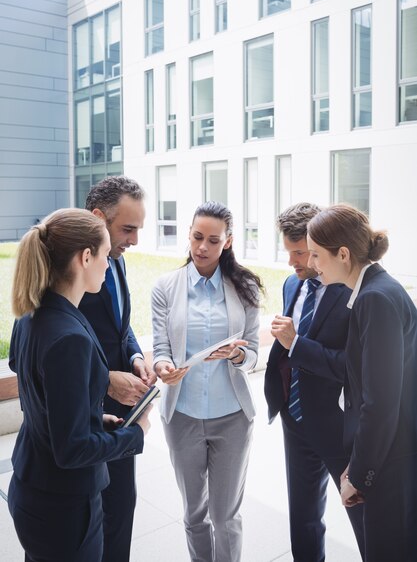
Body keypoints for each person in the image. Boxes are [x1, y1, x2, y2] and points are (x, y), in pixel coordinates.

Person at [8, 208, 151, 562]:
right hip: (63, 506)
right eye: (104, 256)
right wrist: (137, 434)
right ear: (85, 257)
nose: (108, 264)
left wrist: (92, 417)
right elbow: (71, 451)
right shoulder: (69, 337)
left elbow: (40, 392)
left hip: (34, 486)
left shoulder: (32, 315)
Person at [152, 201, 263, 562]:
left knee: (224, 515)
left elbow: (253, 355)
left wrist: (236, 355)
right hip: (182, 415)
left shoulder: (244, 287)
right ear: (188, 234)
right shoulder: (166, 287)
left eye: (212, 240)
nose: (202, 247)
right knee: (194, 514)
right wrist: (164, 366)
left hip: (231, 416)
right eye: (197, 237)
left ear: (227, 242)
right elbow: (160, 347)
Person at [307, 204, 417, 562]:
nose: (311, 264)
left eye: (315, 254)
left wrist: (360, 473)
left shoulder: (375, 299)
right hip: (390, 453)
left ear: (343, 254)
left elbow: (379, 401)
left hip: (392, 460)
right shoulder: (375, 291)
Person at [264, 202, 364, 562]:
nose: (292, 262)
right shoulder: (293, 283)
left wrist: (297, 344)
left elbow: (353, 368)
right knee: (303, 519)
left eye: (300, 253)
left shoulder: (354, 293)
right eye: (288, 252)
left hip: (338, 425)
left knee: (363, 516)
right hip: (295, 419)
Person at [80, 175, 157, 562]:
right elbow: (51, 354)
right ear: (98, 218)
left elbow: (121, 329)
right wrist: (107, 381)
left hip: (124, 416)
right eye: (128, 229)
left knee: (121, 509)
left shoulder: (116, 261)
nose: (135, 240)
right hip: (82, 417)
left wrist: (136, 358)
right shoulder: (66, 273)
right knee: (86, 521)